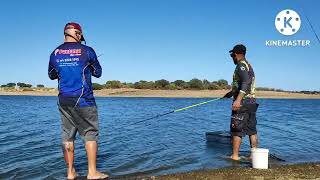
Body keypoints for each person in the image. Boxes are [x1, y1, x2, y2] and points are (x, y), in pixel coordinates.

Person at [48, 22, 108, 179]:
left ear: (64, 34)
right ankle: (92, 172)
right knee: (90, 133)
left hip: (64, 100)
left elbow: (52, 75)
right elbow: (98, 72)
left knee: (67, 136)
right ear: (78, 34)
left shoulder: (54, 53)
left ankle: (70, 173)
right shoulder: (87, 51)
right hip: (84, 100)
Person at [223, 44, 259, 161]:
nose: (231, 57)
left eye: (231, 55)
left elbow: (246, 81)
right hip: (252, 102)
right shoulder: (249, 65)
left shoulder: (240, 65)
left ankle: (235, 156)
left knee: (237, 130)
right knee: (251, 130)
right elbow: (244, 83)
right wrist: (231, 93)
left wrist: (238, 100)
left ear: (236, 54)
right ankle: (254, 156)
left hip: (243, 102)